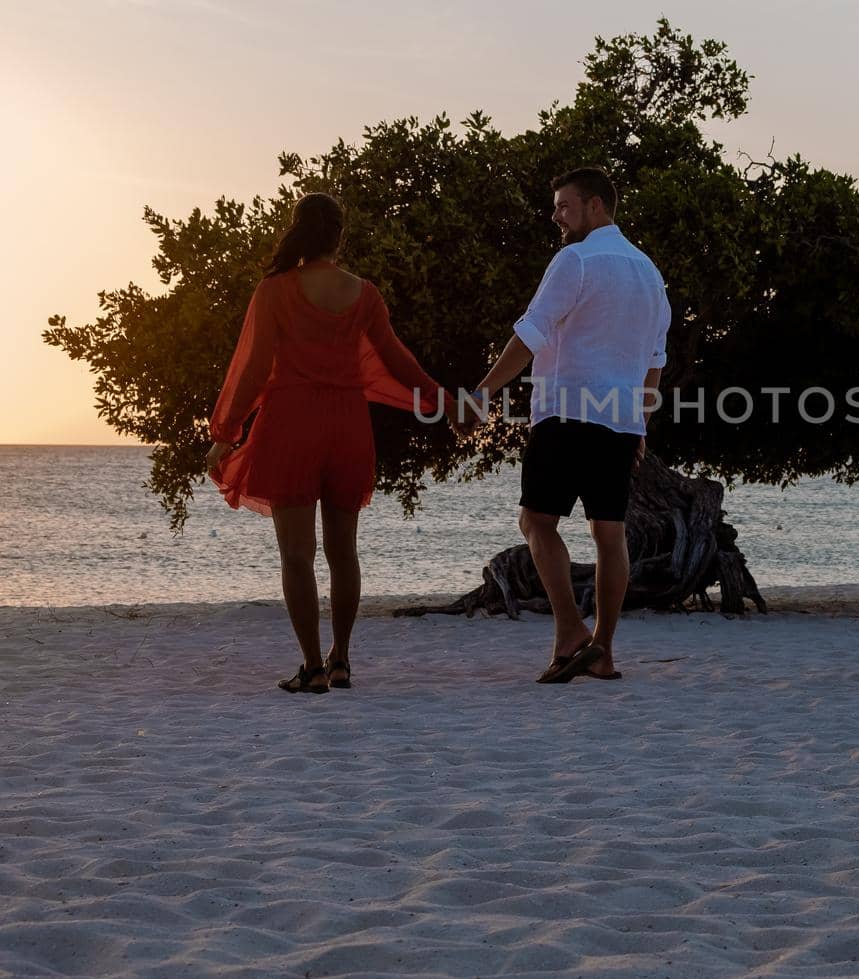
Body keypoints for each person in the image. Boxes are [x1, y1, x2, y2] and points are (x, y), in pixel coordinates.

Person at [205, 192, 454, 694]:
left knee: (297, 556)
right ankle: (342, 659)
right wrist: (443, 400)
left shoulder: (274, 291)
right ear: (339, 235)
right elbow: (397, 360)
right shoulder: (363, 294)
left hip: (291, 424)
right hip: (347, 427)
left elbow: (253, 371)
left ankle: (313, 667)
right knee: (345, 553)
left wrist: (226, 435)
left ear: (298, 231)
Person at [465, 167, 670, 684]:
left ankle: (570, 632)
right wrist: (639, 424)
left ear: (595, 206)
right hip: (620, 422)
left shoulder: (574, 260)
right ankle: (602, 651)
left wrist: (483, 392)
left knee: (536, 523)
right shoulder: (649, 272)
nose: (556, 216)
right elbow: (654, 360)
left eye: (564, 206)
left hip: (565, 413)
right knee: (609, 532)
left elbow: (530, 333)